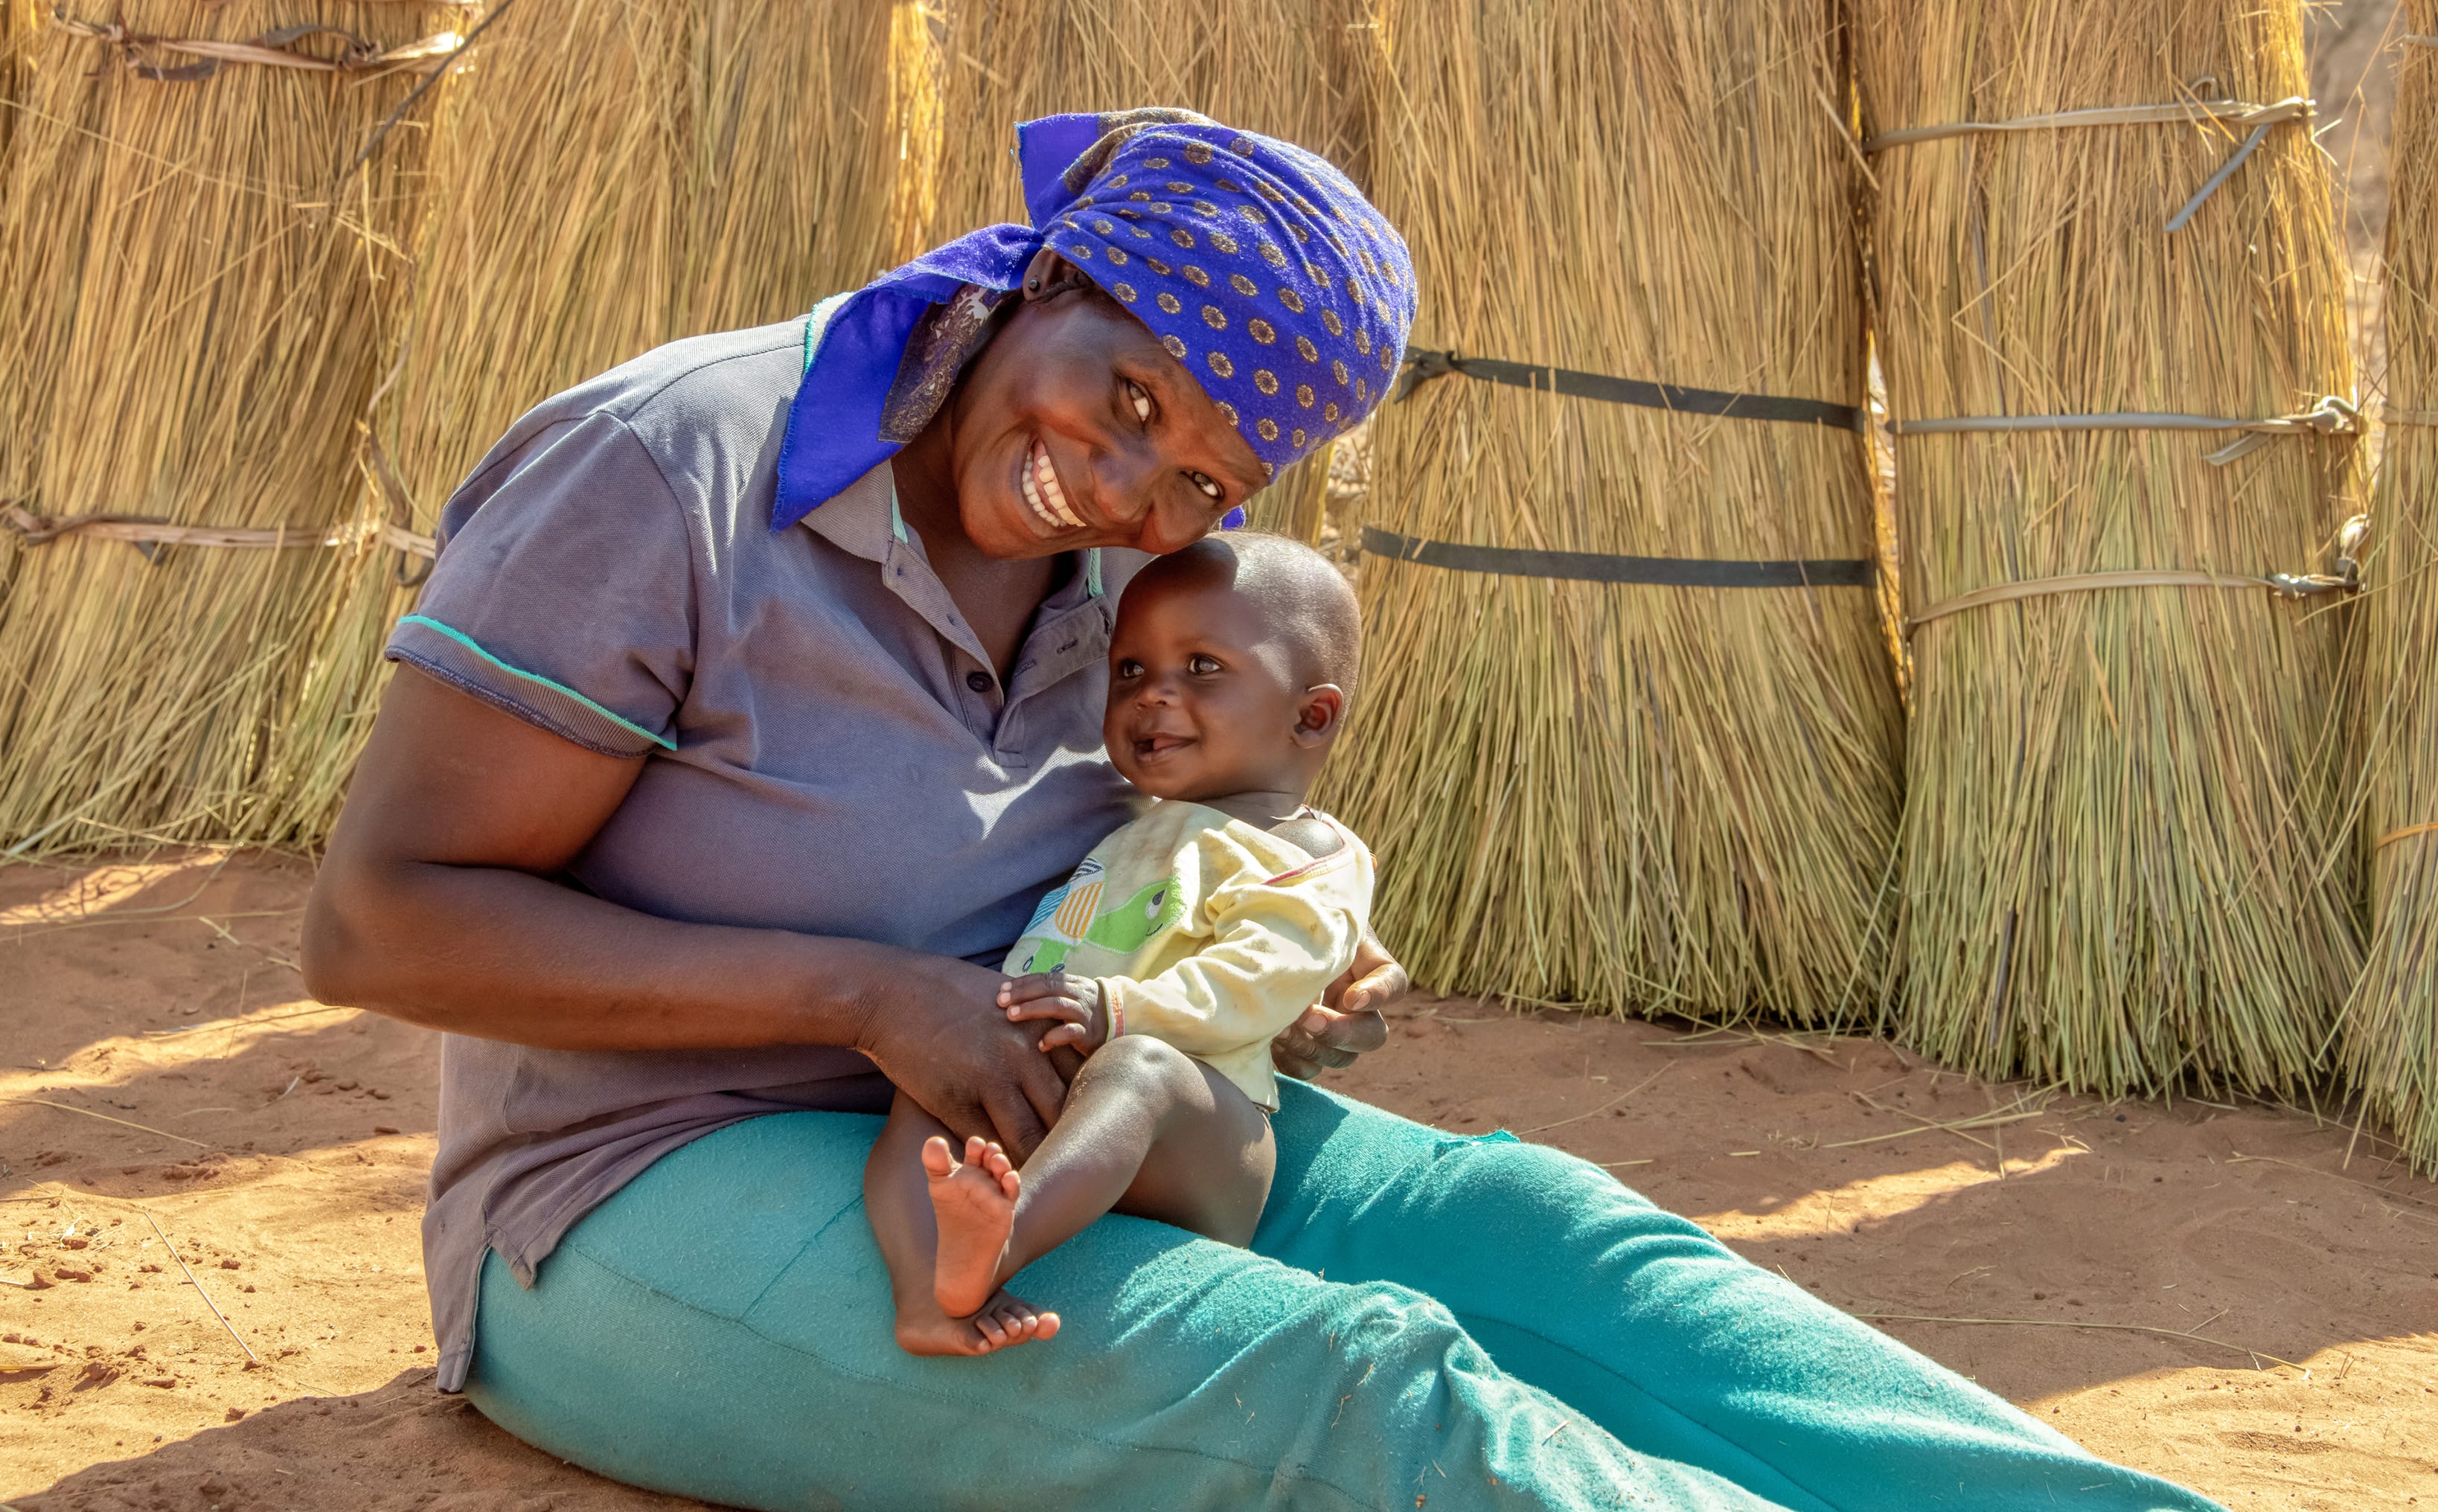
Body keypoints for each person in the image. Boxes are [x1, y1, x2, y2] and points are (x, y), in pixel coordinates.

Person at [303, 109, 2225, 1511]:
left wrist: (1247, 943)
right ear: (1045, 276)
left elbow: (1135, 833)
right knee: (1363, 1396)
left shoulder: (1140, 581)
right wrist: (863, 996)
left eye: (1201, 477)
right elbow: (381, 926)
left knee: (1558, 1244)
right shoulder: (672, 471)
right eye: (1125, 394)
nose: (1128, 491)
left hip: (1060, 1103)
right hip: (637, 1206)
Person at [868, 534, 1373, 1356]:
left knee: (1140, 1070)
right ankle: (926, 1289)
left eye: (1202, 668)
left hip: (1201, 1133)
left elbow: (1260, 982)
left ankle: (1002, 1238)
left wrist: (1117, 1008)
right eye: (1131, 670)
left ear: (1310, 715)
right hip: (1065, 1094)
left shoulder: (1311, 859)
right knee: (929, 1070)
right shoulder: (1140, 821)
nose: (1151, 697)